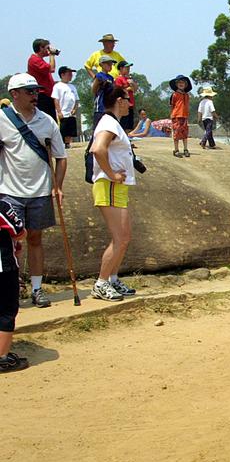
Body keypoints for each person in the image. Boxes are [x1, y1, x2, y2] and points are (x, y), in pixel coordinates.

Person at [0, 73, 67, 308]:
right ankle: (13, 285)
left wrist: (57, 186)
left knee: (36, 239)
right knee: (10, 243)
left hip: (39, 191)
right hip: (10, 192)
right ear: (14, 94)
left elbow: (61, 157)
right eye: (29, 91)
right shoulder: (2, 119)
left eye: (36, 91)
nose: (34, 95)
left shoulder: (47, 121)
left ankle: (37, 289)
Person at [89, 87, 137, 301]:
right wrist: (111, 174)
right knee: (119, 237)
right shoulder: (108, 123)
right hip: (108, 185)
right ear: (119, 100)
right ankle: (100, 283)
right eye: (128, 99)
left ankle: (112, 278)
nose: (130, 104)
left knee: (124, 237)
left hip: (118, 187)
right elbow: (98, 149)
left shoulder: (113, 123)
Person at [0, 199, 29, 373]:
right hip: (3, 267)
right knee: (6, 310)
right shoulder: (2, 206)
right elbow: (19, 233)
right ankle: (2, 357)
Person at [27, 38, 58, 120]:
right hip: (42, 95)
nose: (48, 50)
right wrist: (51, 55)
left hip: (47, 95)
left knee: (51, 120)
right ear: (41, 48)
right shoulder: (34, 60)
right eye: (47, 48)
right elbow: (52, 68)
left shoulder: (40, 60)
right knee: (46, 120)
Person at [51, 66, 79, 149]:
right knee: (63, 128)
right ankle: (61, 144)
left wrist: (75, 108)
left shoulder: (72, 86)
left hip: (71, 112)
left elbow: (76, 99)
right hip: (63, 112)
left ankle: (67, 143)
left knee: (71, 128)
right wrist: (59, 111)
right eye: (69, 73)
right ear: (62, 74)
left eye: (71, 74)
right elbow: (56, 99)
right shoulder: (58, 86)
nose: (71, 75)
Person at [169, 74, 192, 158]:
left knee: (185, 134)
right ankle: (176, 149)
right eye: (179, 82)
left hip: (185, 116)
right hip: (176, 116)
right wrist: (172, 116)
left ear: (185, 84)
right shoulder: (174, 95)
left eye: (183, 82)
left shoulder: (186, 95)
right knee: (177, 133)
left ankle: (185, 149)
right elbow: (172, 105)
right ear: (176, 84)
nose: (181, 84)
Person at [91, 56, 116, 129]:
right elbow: (94, 90)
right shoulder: (99, 76)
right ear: (101, 64)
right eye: (108, 63)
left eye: (111, 64)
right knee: (98, 129)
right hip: (100, 108)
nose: (110, 65)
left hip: (109, 107)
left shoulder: (111, 78)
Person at [114, 61, 138, 132]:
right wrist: (129, 88)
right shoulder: (119, 79)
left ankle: (127, 139)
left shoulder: (129, 79)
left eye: (129, 67)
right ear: (121, 68)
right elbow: (119, 91)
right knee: (123, 123)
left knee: (129, 124)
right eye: (126, 67)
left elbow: (135, 89)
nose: (128, 69)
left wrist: (133, 83)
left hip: (130, 104)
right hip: (123, 105)